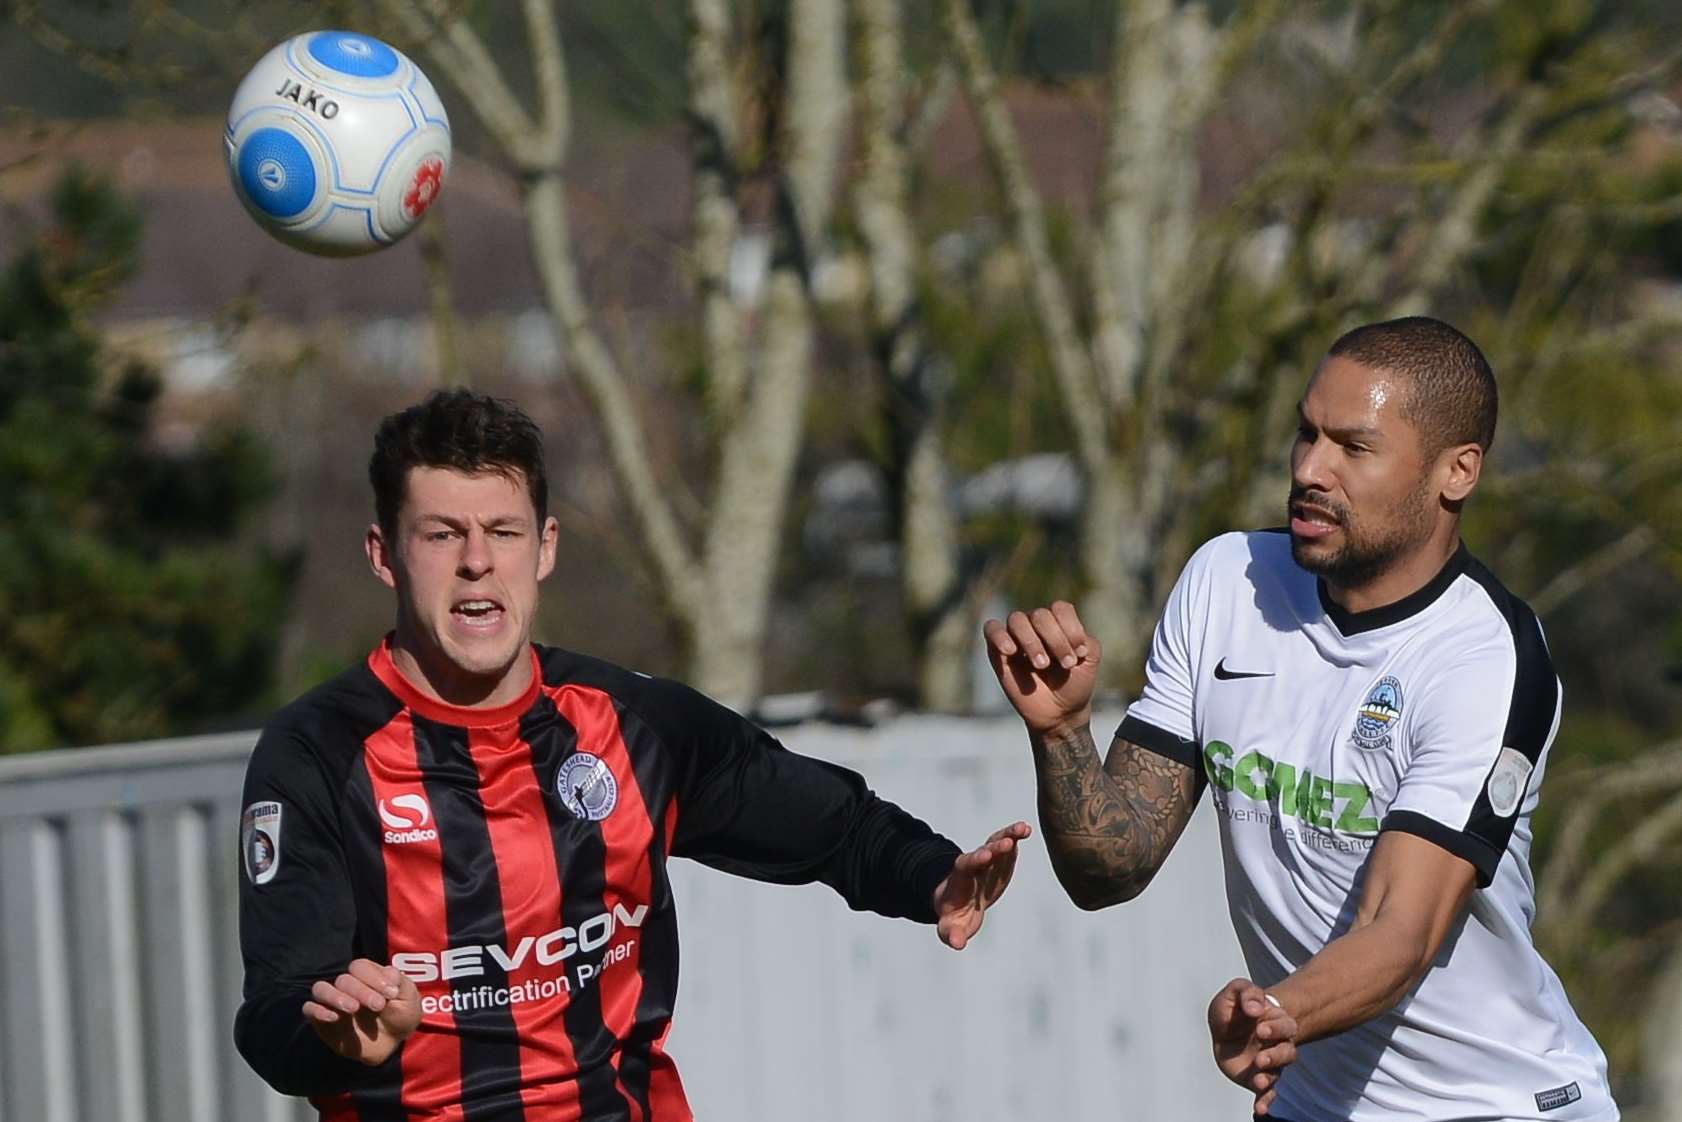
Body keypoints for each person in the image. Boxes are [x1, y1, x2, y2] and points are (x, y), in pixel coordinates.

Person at [235, 389, 1030, 1122]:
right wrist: (333, 1043)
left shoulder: (635, 725)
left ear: (544, 548)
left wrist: (931, 873)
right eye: (442, 534)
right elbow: (272, 1014)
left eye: (503, 532)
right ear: (384, 555)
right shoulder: (317, 755)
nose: (477, 561)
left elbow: (836, 826)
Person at [985, 317, 1617, 1121]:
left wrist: (1281, 1014)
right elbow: (1112, 867)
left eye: (1353, 447)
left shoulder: (1487, 657)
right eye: (1304, 433)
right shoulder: (1226, 581)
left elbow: (1401, 933)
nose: (1311, 469)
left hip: (1496, 1105)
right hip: (1310, 1103)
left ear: (1456, 472)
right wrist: (1061, 733)